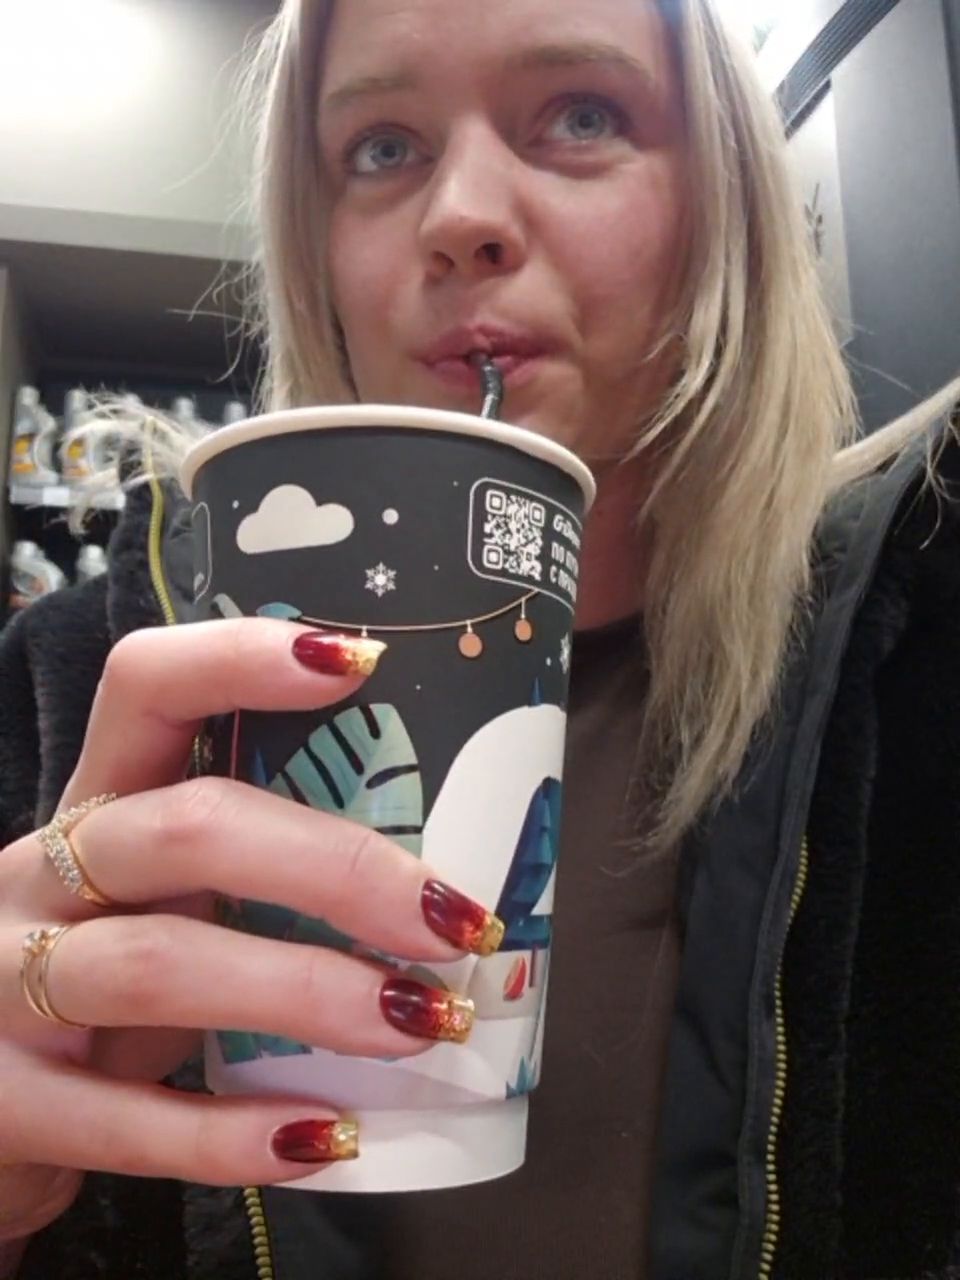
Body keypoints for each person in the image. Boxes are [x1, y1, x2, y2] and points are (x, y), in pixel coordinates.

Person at [0, 0, 958, 1277]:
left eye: (582, 115)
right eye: (381, 147)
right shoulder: (75, 686)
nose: (459, 216)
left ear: (722, 203)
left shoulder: (921, 657)